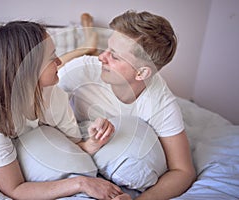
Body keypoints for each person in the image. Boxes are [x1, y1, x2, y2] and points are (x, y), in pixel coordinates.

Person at [0, 13, 131, 200]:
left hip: (7, 88)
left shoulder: (54, 94)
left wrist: (93, 142)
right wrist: (81, 183)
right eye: (52, 57)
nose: (58, 61)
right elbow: (13, 189)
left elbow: (72, 143)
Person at [58, 10, 196, 200]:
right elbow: (35, 96)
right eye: (107, 48)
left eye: (114, 56)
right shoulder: (81, 71)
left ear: (141, 73)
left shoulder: (160, 103)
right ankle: (86, 45)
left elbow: (183, 171)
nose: (101, 57)